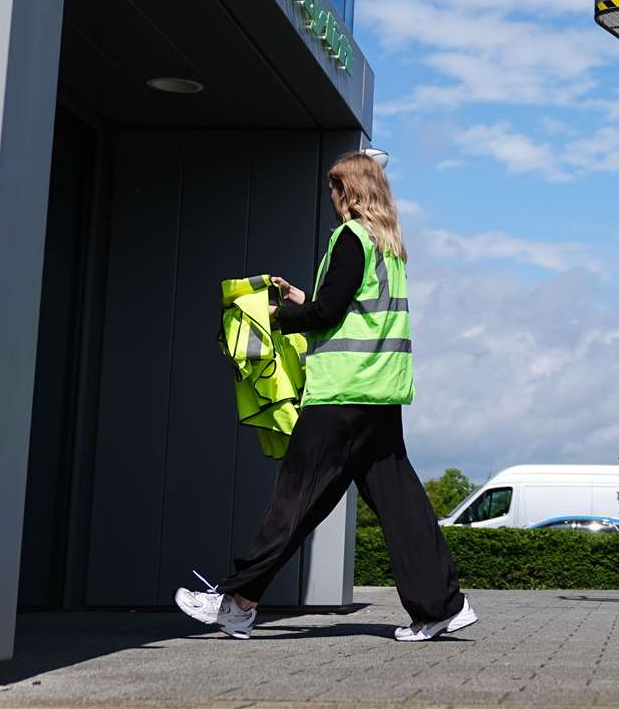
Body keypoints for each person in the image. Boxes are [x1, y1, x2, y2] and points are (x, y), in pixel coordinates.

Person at [174, 152, 476, 643]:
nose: (330, 200)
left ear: (348, 192)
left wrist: (273, 315)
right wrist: (299, 298)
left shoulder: (349, 238)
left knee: (293, 499)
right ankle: (444, 605)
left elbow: (328, 313)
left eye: (334, 190)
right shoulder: (388, 247)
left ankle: (233, 602)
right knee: (399, 504)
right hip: (378, 392)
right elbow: (347, 306)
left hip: (340, 393)